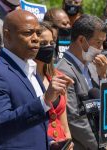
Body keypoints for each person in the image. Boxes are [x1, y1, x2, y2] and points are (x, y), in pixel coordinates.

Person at [0, 10, 71, 150]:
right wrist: (44, 101)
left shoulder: (29, 69)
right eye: (28, 33)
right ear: (7, 36)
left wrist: (50, 144)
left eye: (38, 33)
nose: (36, 39)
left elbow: (32, 127)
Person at [57, 14, 107, 150]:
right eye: (98, 42)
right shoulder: (64, 71)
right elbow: (74, 119)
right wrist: (99, 146)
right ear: (81, 40)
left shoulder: (94, 66)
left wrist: (103, 76)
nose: (102, 48)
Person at [35, 21, 74, 149]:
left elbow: (64, 122)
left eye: (52, 43)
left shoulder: (57, 75)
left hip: (62, 143)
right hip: (41, 144)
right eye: (43, 43)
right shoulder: (26, 78)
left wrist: (68, 141)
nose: (49, 47)